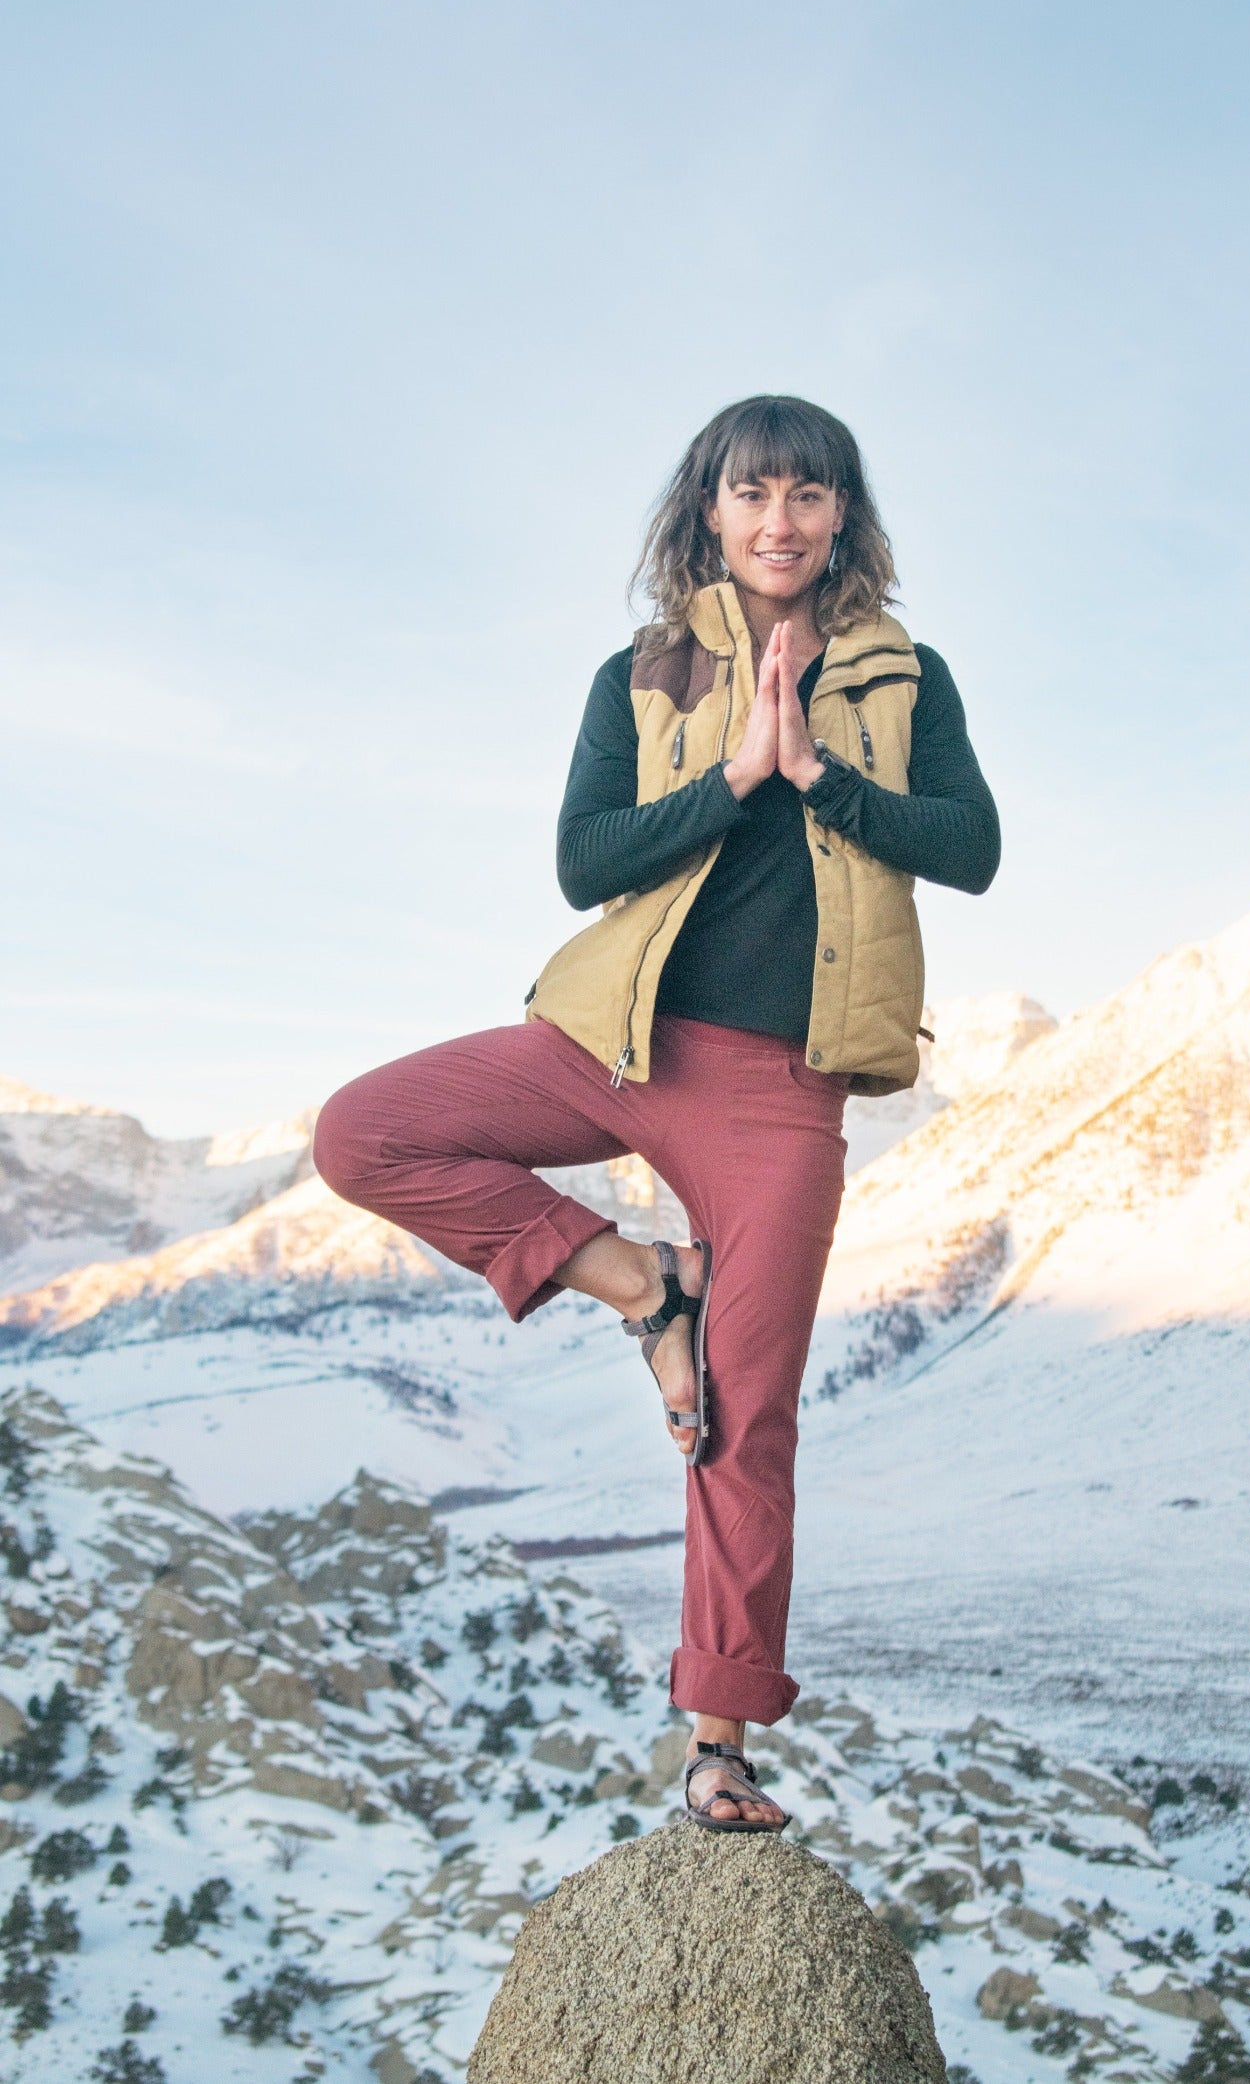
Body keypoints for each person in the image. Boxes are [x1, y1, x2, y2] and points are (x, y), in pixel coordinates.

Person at [313, 394, 1000, 1831]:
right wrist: (738, 769)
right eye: (754, 493)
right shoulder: (641, 672)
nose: (780, 522)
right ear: (709, 509)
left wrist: (819, 769)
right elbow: (584, 861)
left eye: (810, 496)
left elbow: (971, 846)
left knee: (746, 1420)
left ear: (843, 518)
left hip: (779, 1088)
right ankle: (644, 1285)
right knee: (362, 1133)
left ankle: (718, 1741)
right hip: (611, 1036)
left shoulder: (905, 674)